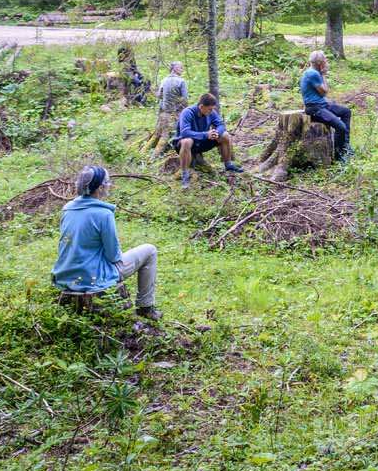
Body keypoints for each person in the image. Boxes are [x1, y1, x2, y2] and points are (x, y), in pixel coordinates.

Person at [51, 165, 161, 319]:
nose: (110, 185)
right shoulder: (104, 214)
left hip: (65, 276)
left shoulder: (68, 208)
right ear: (101, 188)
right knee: (150, 250)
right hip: (93, 278)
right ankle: (146, 307)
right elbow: (113, 256)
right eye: (107, 182)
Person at [172, 92, 242, 185]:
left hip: (201, 142)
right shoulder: (187, 112)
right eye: (209, 109)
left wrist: (217, 133)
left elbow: (221, 124)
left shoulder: (211, 112)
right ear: (201, 106)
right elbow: (185, 132)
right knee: (186, 141)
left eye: (212, 109)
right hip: (186, 144)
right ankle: (185, 174)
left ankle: (228, 164)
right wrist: (205, 135)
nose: (211, 111)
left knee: (225, 135)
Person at [300, 50, 352, 164]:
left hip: (323, 104)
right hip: (314, 108)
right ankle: (338, 154)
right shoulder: (313, 73)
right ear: (319, 62)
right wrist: (324, 75)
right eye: (324, 59)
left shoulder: (315, 71)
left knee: (346, 112)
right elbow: (324, 92)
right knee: (340, 127)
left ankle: (345, 144)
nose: (326, 61)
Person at [150, 62, 188, 151]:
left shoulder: (164, 80)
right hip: (177, 113)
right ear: (174, 69)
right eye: (180, 68)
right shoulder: (181, 81)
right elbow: (185, 99)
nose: (182, 70)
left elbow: (159, 95)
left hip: (165, 112)